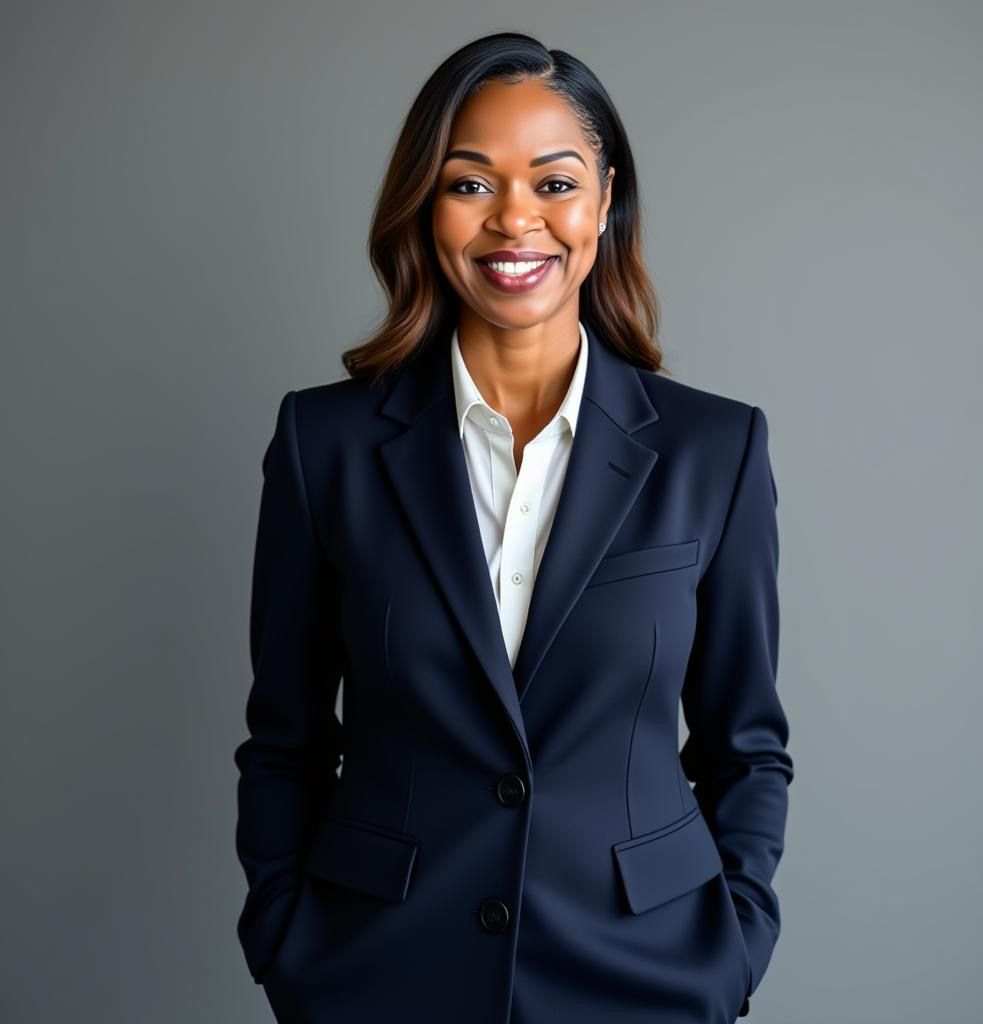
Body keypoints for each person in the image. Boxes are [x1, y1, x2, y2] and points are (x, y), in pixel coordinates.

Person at [233, 30, 793, 1024]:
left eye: (553, 182)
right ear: (424, 204)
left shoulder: (718, 450)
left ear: (605, 199)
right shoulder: (324, 444)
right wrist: (286, 939)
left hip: (645, 975)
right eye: (469, 184)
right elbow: (283, 735)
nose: (514, 221)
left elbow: (744, 746)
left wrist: (733, 947)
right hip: (378, 973)